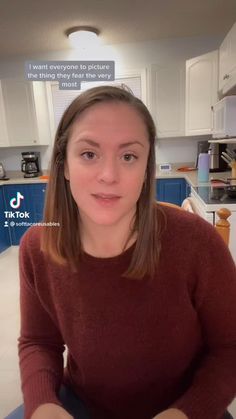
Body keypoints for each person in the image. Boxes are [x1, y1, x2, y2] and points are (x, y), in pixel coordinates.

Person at [17, 85, 236, 419]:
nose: (109, 176)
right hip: (83, 403)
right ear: (63, 165)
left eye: (129, 156)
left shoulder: (197, 243)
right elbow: (38, 341)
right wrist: (43, 405)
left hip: (187, 405)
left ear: (146, 169)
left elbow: (230, 348)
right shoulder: (37, 245)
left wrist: (185, 413)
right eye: (89, 154)